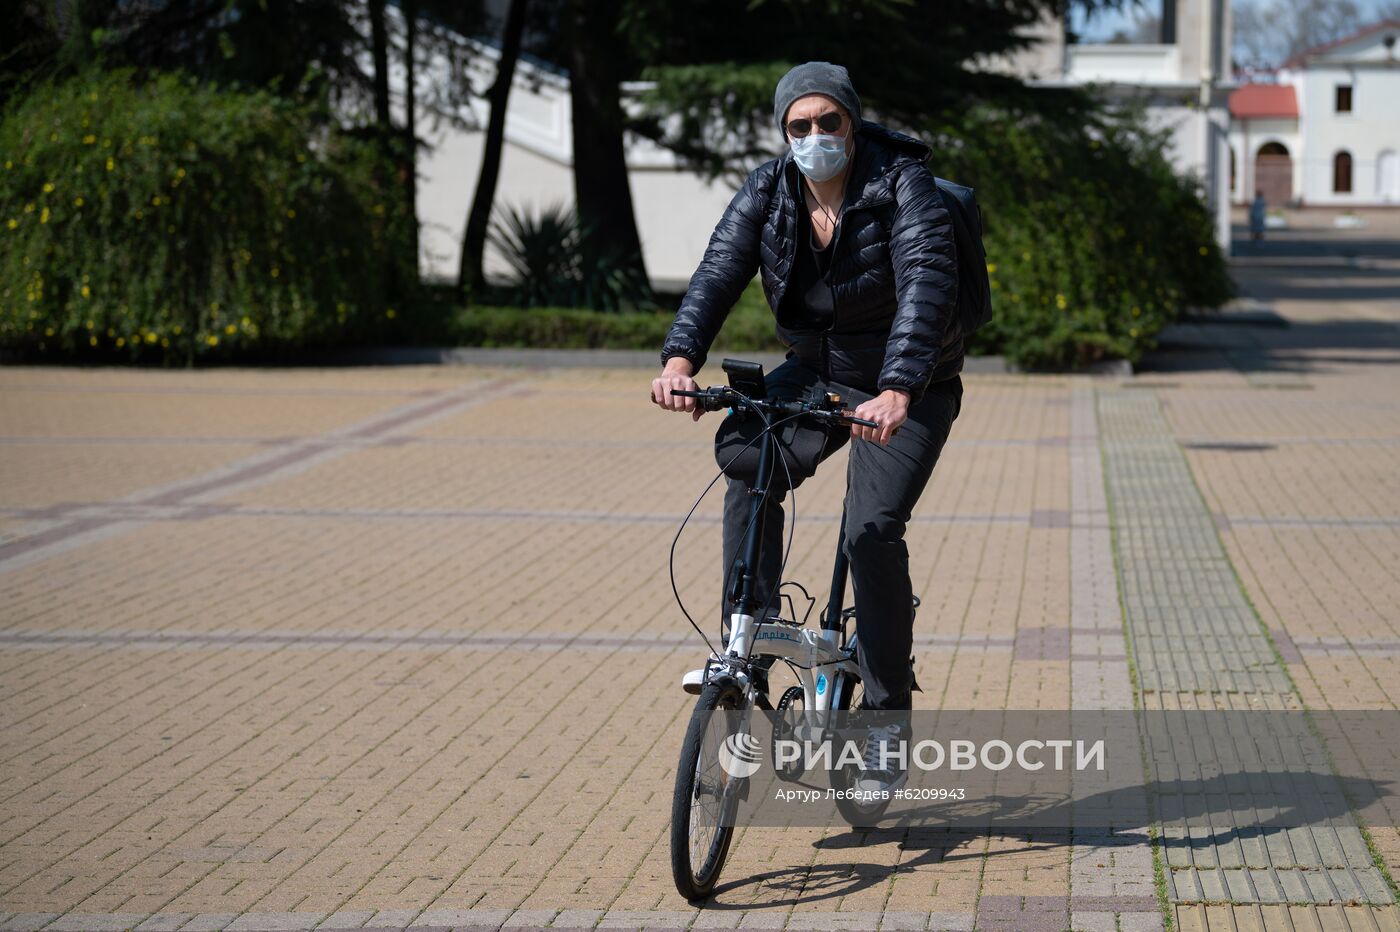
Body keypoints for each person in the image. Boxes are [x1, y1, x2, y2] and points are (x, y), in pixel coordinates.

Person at [650, 62, 965, 792]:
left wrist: (896, 389)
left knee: (870, 530)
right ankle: (745, 639)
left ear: (853, 123)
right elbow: (718, 272)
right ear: (783, 131)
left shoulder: (901, 184)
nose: (816, 136)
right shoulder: (769, 188)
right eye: (801, 125)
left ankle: (886, 717)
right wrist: (678, 361)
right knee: (747, 461)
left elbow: (925, 285)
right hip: (815, 370)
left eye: (830, 122)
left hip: (906, 382)